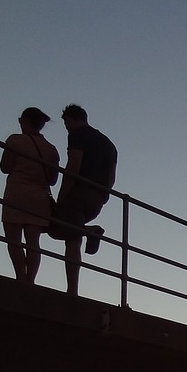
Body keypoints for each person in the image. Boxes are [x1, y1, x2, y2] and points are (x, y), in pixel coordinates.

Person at [49, 104, 117, 296]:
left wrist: (62, 196)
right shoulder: (108, 144)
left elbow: (73, 166)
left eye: (65, 122)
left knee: (68, 236)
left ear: (70, 119)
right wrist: (104, 196)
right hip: (98, 198)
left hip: (78, 193)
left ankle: (72, 290)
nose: (66, 127)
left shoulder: (77, 135)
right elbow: (112, 176)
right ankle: (88, 230)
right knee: (67, 231)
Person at [0, 107, 60, 285]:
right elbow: (53, 179)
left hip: (16, 193)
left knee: (14, 240)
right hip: (39, 197)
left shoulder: (15, 140)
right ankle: (30, 280)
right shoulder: (51, 149)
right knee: (33, 242)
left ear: (23, 121)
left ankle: (20, 276)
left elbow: (5, 167)